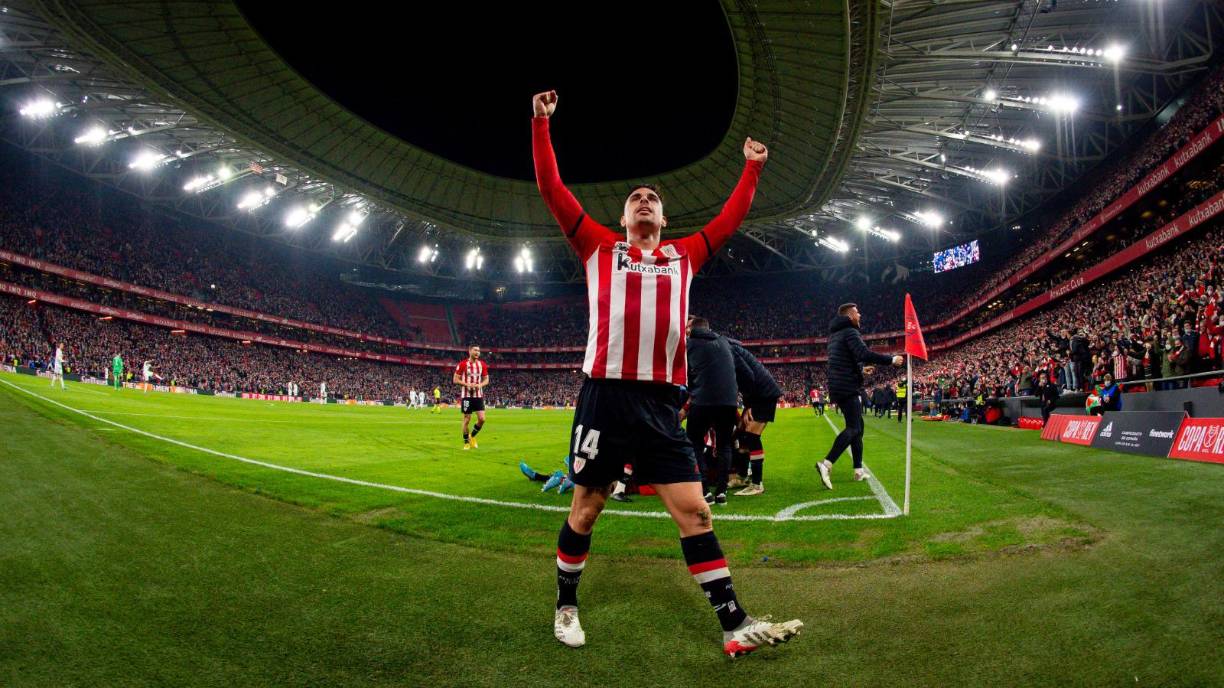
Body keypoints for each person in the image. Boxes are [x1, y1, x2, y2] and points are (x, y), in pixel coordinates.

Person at [531, 89, 800, 657]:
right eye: (636, 199)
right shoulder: (596, 247)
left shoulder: (685, 256)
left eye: (653, 198)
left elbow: (728, 221)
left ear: (664, 218)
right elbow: (553, 191)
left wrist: (751, 168)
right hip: (604, 398)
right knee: (587, 507)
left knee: (696, 510)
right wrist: (540, 124)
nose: (645, 200)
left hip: (660, 404)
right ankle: (566, 605)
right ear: (624, 218)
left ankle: (733, 625)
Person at [816, 303, 904, 489]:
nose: (860, 314)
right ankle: (826, 464)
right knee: (854, 428)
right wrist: (891, 360)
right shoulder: (850, 332)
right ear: (849, 316)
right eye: (857, 312)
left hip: (838, 385)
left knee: (859, 428)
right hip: (847, 386)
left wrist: (861, 369)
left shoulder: (834, 335)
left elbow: (844, 361)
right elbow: (863, 353)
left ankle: (858, 471)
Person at [685, 318, 738, 505]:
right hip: (729, 401)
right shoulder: (724, 341)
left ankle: (705, 490)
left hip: (703, 400)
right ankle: (722, 491)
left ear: (691, 329)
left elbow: (686, 376)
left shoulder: (689, 344)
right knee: (724, 445)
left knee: (694, 444)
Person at [727, 338, 782, 496]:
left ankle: (757, 484)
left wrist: (749, 405)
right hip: (758, 395)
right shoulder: (729, 347)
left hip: (764, 395)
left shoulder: (728, 350)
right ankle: (743, 476)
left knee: (751, 435)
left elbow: (748, 375)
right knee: (740, 434)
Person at [453, 345, 489, 450]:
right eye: (475, 350)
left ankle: (472, 436)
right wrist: (467, 384)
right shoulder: (463, 364)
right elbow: (455, 379)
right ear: (470, 351)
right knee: (467, 419)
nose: (477, 352)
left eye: (479, 350)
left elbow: (486, 379)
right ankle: (466, 442)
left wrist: (480, 385)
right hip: (467, 396)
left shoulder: (482, 364)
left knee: (482, 419)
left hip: (478, 395)